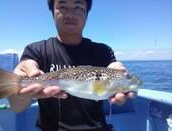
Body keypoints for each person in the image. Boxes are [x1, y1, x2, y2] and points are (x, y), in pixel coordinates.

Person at [9, 0, 136, 130]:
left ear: (87, 14)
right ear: (53, 11)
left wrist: (119, 79)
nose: (70, 14)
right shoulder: (36, 51)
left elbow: (113, 73)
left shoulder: (103, 51)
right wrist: (19, 86)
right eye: (63, 6)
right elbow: (15, 106)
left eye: (78, 7)